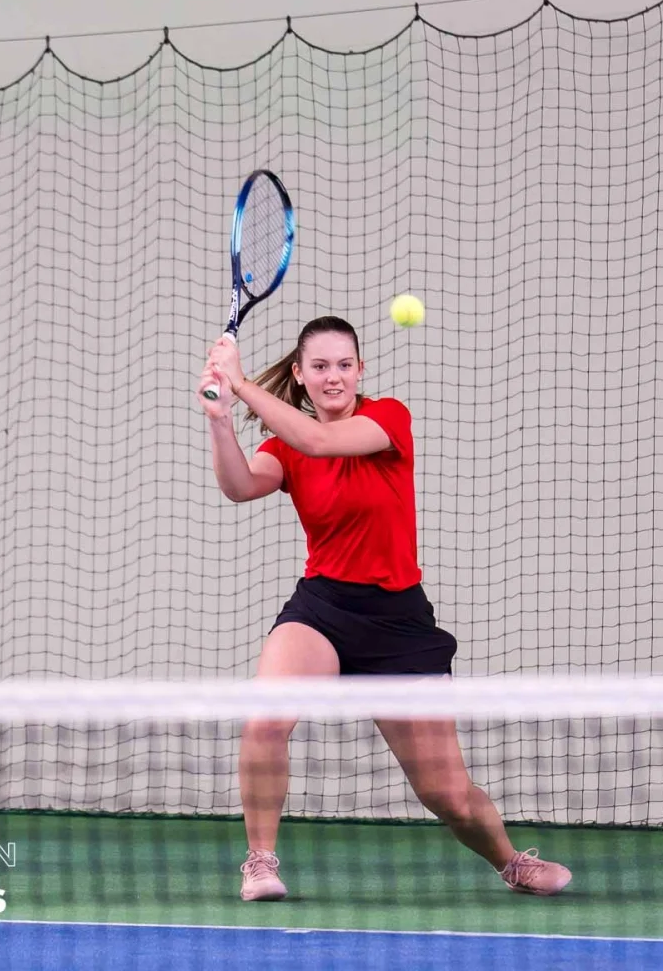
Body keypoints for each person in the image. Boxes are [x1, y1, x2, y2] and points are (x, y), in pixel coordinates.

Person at [198, 315, 571, 902]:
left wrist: (241, 385)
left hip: (398, 624)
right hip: (323, 609)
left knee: (448, 795)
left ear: (360, 370)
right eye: (320, 366)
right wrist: (221, 421)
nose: (334, 376)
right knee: (265, 718)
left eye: (344, 365)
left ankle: (510, 862)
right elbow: (240, 485)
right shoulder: (284, 446)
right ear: (301, 374)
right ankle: (260, 863)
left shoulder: (388, 418)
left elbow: (320, 441)